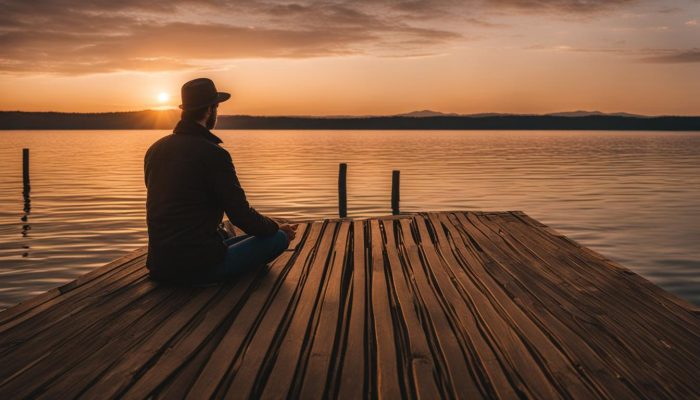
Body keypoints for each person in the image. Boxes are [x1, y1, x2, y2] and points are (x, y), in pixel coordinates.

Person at [144, 77, 297, 285]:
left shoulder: (155, 150)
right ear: (210, 110)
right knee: (277, 239)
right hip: (199, 268)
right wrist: (276, 229)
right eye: (216, 107)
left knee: (228, 234)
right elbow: (241, 215)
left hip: (160, 265)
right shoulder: (214, 154)